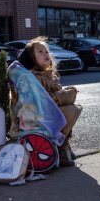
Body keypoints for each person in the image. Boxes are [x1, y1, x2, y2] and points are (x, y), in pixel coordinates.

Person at [17, 36, 82, 167]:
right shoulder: (33, 76)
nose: (45, 54)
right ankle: (61, 145)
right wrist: (63, 95)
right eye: (40, 52)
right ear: (32, 58)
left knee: (74, 107)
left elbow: (55, 98)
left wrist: (62, 95)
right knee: (71, 109)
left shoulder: (51, 75)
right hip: (36, 117)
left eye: (46, 51)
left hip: (49, 113)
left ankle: (62, 142)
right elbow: (44, 101)